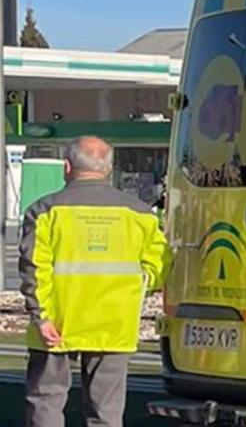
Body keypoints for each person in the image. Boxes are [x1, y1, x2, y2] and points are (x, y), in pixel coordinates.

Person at [18, 136, 170, 427]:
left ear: (67, 166)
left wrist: (42, 317)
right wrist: (138, 286)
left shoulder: (45, 211)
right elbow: (161, 263)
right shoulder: (139, 214)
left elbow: (34, 268)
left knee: (45, 402)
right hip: (114, 324)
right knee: (106, 412)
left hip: (57, 324)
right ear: (109, 170)